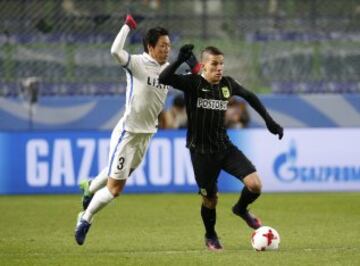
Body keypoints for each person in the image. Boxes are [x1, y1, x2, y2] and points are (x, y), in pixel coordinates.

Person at [74, 15, 199, 246]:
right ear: (150, 47)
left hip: (147, 134)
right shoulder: (137, 63)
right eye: (162, 46)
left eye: (169, 46)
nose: (167, 50)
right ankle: (85, 218)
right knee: (115, 189)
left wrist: (195, 65)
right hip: (128, 133)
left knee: (119, 174)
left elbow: (195, 82)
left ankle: (89, 186)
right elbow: (114, 51)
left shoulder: (167, 70)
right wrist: (127, 26)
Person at [159, 45, 284, 251]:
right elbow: (164, 79)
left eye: (222, 64)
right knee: (210, 199)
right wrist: (179, 60)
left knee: (255, 185)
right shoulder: (193, 83)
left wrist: (269, 122)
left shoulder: (228, 84)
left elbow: (250, 96)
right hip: (201, 153)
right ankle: (211, 235)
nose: (219, 68)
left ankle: (241, 209)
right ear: (203, 67)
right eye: (214, 64)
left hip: (224, 147)